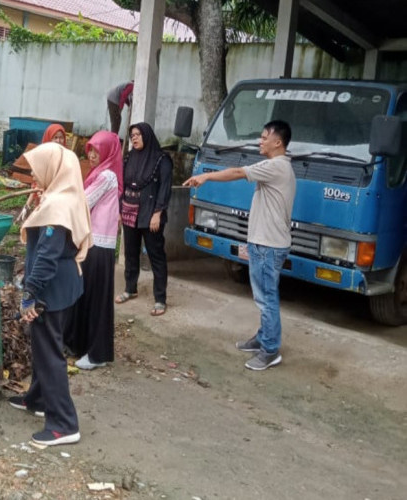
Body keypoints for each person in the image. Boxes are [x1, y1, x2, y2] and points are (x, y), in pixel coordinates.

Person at [183, 120, 295, 371]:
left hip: (268, 244)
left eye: (265, 137)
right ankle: (263, 337)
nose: (260, 140)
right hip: (263, 242)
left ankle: (270, 350)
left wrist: (206, 175)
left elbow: (237, 173)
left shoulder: (276, 166)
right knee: (262, 296)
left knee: (266, 298)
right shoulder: (277, 167)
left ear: (278, 142)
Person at [8, 142, 93, 446]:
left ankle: (63, 424)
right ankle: (37, 399)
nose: (33, 175)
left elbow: (47, 255)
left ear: (54, 168)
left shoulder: (58, 205)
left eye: (37, 169)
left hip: (51, 289)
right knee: (45, 347)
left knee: (50, 354)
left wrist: (31, 293)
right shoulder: (65, 196)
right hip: (65, 284)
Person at [67, 131, 123, 370]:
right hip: (92, 243)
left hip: (100, 245)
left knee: (97, 299)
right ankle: (79, 344)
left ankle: (97, 354)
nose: (91, 155)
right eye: (89, 150)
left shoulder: (107, 176)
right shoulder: (99, 173)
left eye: (96, 151)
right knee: (84, 294)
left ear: (108, 152)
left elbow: (84, 202)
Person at [114, 122, 172, 316]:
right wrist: (121, 209)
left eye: (138, 134)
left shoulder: (161, 159)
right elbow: (123, 184)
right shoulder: (130, 157)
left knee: (156, 255)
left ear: (146, 135)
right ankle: (130, 288)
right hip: (130, 211)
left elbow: (164, 188)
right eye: (132, 136)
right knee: (130, 252)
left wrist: (158, 213)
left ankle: (160, 298)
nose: (135, 138)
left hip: (150, 214)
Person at [17, 123, 69, 224]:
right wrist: (27, 206)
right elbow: (36, 182)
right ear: (49, 138)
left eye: (61, 138)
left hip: (59, 202)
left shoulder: (67, 158)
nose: (58, 141)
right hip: (42, 199)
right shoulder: (43, 157)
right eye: (55, 138)